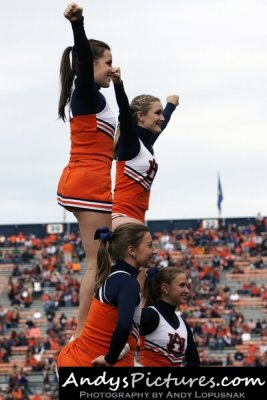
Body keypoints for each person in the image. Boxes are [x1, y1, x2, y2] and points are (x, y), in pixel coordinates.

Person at [56, 3, 119, 336]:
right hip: (86, 185)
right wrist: (78, 25)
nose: (113, 68)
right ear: (90, 65)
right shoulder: (86, 93)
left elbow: (113, 147)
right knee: (98, 264)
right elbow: (81, 58)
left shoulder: (97, 99)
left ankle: (101, 324)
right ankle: (83, 334)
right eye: (107, 62)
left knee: (111, 256)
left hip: (89, 181)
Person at [57, 223, 156, 367]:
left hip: (76, 359)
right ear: (132, 251)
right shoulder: (127, 282)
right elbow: (123, 326)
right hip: (87, 363)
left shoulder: (114, 275)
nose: (155, 251)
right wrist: (110, 358)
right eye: (150, 246)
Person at [111, 71, 179, 229]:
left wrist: (171, 105)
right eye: (157, 113)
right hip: (123, 216)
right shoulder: (130, 143)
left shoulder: (145, 144)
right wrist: (118, 83)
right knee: (146, 249)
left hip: (136, 218)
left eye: (162, 113)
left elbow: (165, 121)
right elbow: (124, 113)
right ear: (140, 117)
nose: (161, 118)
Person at [139, 266, 200, 367]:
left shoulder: (184, 325)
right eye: (182, 285)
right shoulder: (150, 315)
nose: (187, 291)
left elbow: (194, 361)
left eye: (187, 286)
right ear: (165, 288)